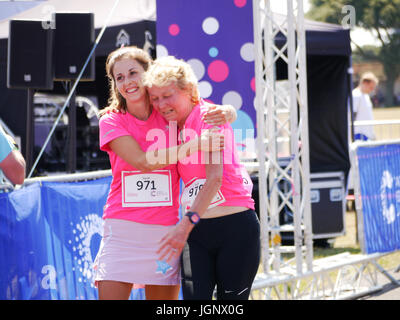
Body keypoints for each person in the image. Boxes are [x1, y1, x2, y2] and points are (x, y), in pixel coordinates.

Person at [93, 46, 237, 300]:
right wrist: (196, 144)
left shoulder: (169, 115)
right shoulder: (111, 120)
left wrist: (229, 112)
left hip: (165, 235)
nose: (127, 82)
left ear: (148, 74)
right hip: (122, 231)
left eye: (133, 73)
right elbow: (142, 162)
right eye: (120, 77)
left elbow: (201, 108)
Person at [143, 56, 260, 300]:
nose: (161, 104)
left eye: (168, 95)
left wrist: (184, 226)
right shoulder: (170, 126)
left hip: (233, 226)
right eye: (155, 98)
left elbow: (214, 178)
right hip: (196, 232)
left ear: (189, 91)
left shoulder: (209, 116)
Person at [352, 72, 379, 141]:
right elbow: (352, 115)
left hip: (367, 134)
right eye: (371, 87)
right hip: (358, 134)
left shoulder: (366, 96)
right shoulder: (356, 95)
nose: (372, 90)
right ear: (365, 83)